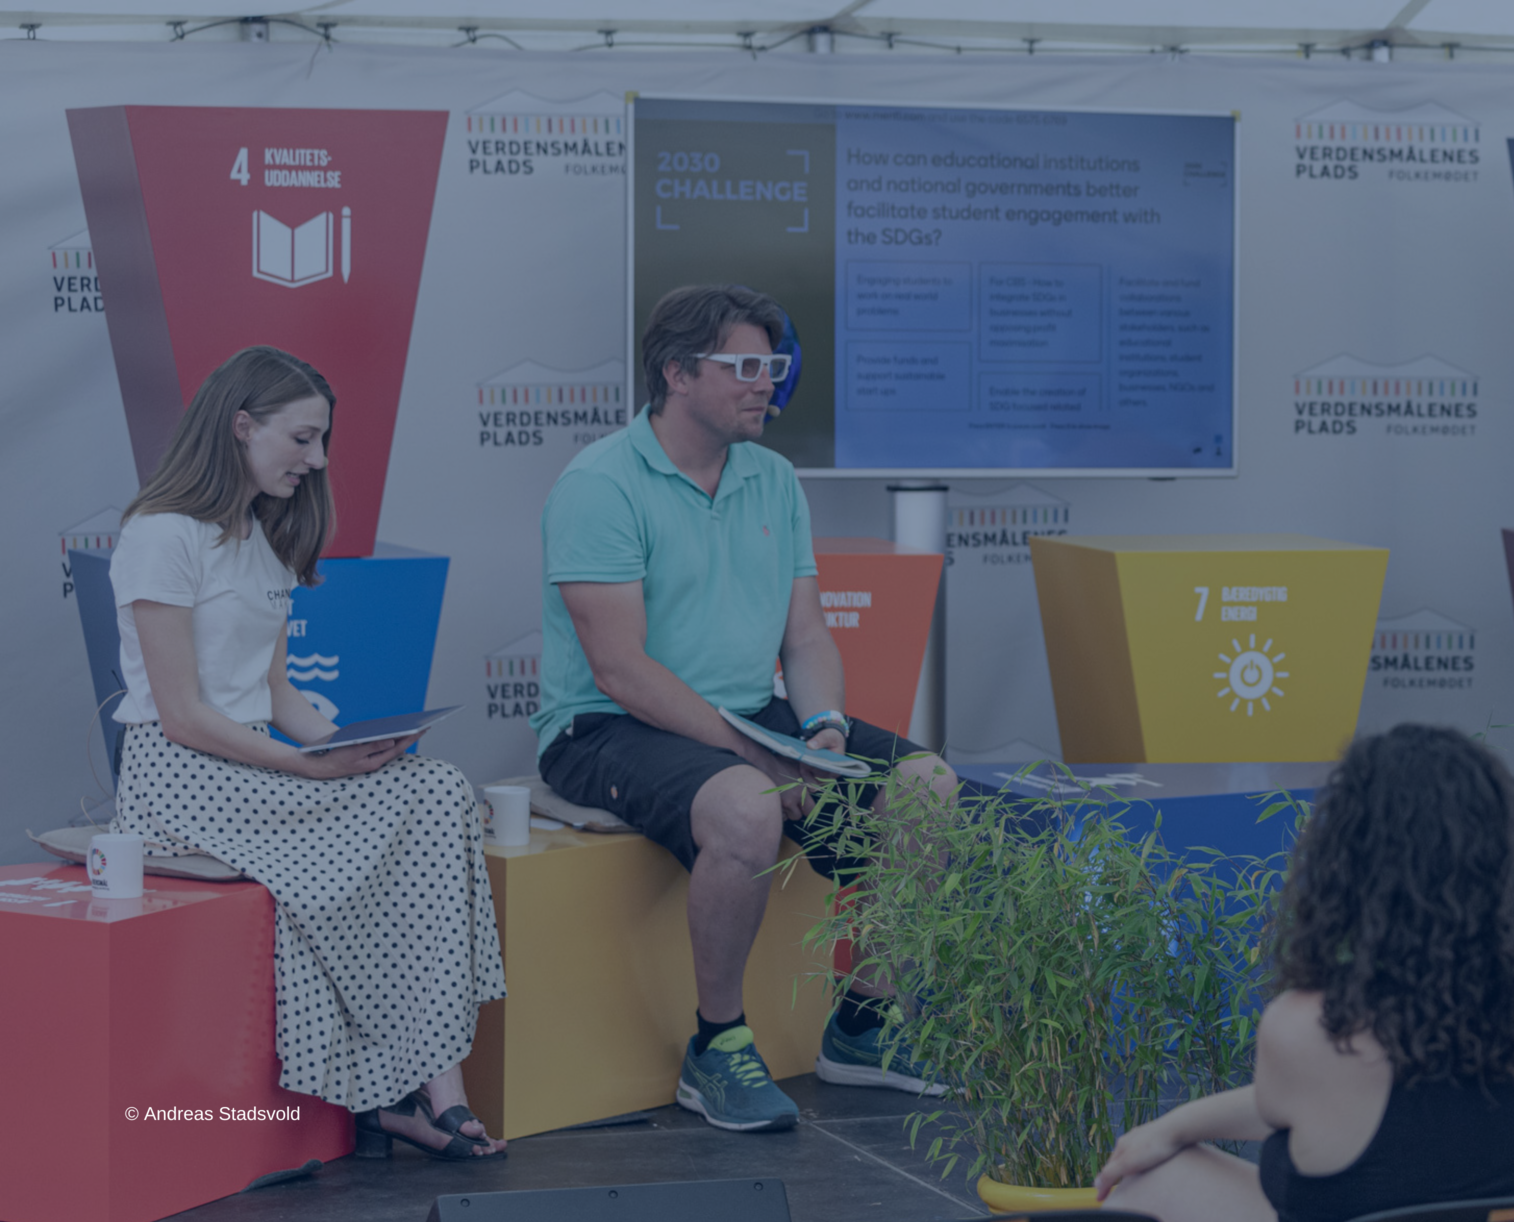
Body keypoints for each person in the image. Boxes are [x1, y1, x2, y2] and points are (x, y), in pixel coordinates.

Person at [533, 284, 960, 1134]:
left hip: (750, 711)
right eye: (746, 367)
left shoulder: (773, 478)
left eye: (774, 365)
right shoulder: (599, 485)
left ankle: (865, 1023)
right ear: (678, 373)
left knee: (929, 786)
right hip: (602, 727)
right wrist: (760, 757)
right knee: (748, 802)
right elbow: (620, 671)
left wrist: (822, 725)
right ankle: (717, 1045)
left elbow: (806, 636)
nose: (769, 383)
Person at [107, 346, 508, 1161]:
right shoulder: (160, 535)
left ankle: (433, 1090)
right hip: (179, 780)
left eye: (322, 440)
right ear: (241, 425)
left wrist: (353, 748)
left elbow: (277, 692)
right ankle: (415, 1093)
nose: (318, 459)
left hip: (255, 768)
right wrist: (306, 767)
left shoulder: (260, 537)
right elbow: (181, 716)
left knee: (432, 786)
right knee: (429, 797)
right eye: (302, 438)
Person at [1092, 725, 1514, 1222]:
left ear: (1350, 863)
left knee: (1146, 1190)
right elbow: (1367, 1110)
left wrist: (1169, 1131)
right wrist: (1175, 1126)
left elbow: (1322, 1096)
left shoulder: (1311, 1031)